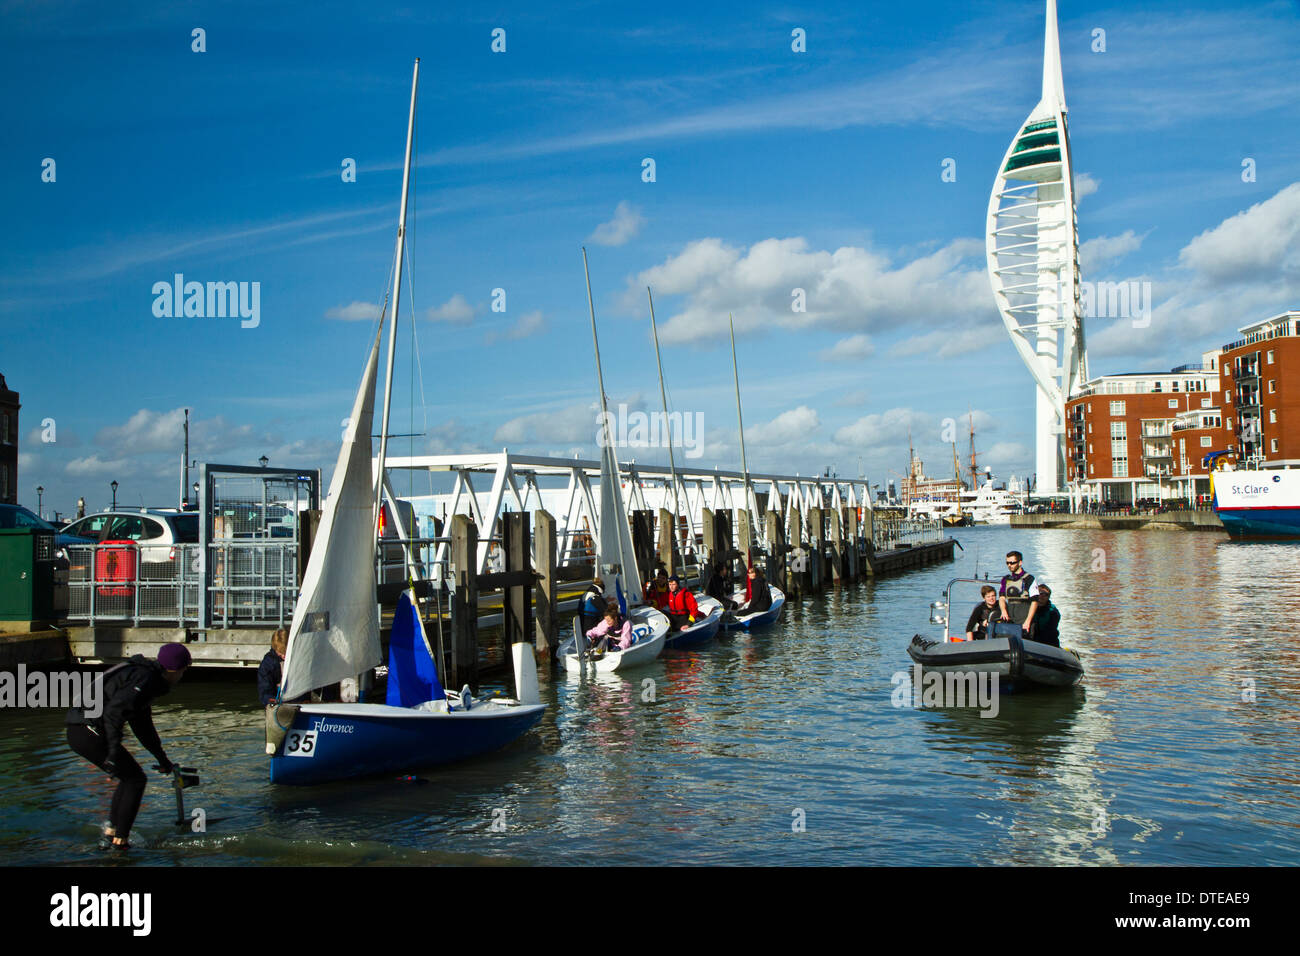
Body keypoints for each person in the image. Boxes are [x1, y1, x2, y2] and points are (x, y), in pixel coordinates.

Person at [66, 642, 191, 850]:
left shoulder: (145, 676)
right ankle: (120, 842)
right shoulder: (145, 679)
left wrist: (162, 760)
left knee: (129, 778)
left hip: (80, 730)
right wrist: (113, 753)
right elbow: (114, 712)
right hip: (87, 730)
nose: (182, 676)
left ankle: (112, 833)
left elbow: (143, 727)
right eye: (184, 670)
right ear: (176, 670)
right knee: (135, 780)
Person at [998, 550, 1039, 632]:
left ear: (1020, 563)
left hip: (1024, 620)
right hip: (1010, 620)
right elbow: (1002, 597)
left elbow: (1035, 602)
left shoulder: (1029, 579)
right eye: (1007, 563)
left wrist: (1028, 621)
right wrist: (1003, 611)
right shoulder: (1005, 579)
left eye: (1012, 563)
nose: (1009, 565)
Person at [258, 628, 289, 706]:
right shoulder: (268, 663)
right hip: (277, 704)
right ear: (275, 650)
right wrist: (271, 701)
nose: (284, 656)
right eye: (281, 653)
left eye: (286, 652)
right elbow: (265, 689)